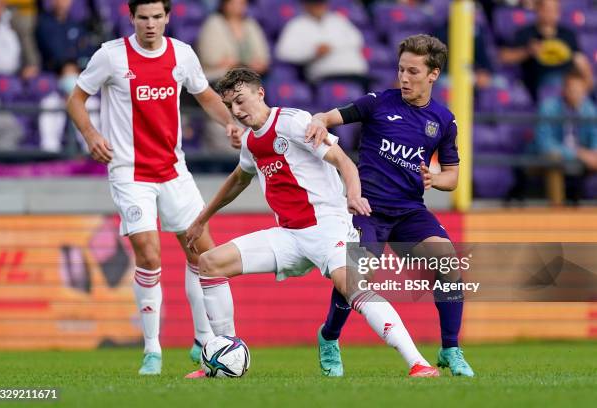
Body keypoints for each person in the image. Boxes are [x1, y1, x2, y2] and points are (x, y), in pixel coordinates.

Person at [183, 67, 440, 379]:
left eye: (240, 100)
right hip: (289, 235)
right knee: (210, 263)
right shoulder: (251, 143)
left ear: (260, 93)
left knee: (354, 287)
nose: (237, 110)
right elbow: (239, 179)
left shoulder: (293, 122)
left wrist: (353, 195)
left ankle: (418, 362)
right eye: (230, 106)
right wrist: (201, 220)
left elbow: (343, 161)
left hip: (328, 226)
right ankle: (225, 354)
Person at [66, 0, 243, 376]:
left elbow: (206, 95)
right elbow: (76, 100)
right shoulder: (111, 56)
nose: (150, 24)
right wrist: (91, 134)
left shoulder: (182, 53)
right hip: (129, 172)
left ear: (167, 17)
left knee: (202, 252)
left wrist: (231, 122)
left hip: (173, 170)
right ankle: (152, 350)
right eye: (142, 17)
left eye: (156, 17)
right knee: (148, 254)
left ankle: (203, 338)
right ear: (131, 18)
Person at [306, 34, 475, 377]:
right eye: (401, 70)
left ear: (433, 74)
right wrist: (318, 121)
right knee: (355, 277)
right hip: (367, 209)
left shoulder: (443, 120)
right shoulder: (378, 103)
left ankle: (450, 349)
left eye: (413, 71)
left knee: (449, 261)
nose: (404, 78)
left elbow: (453, 178)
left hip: (410, 211)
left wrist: (433, 178)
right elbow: (329, 115)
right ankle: (329, 337)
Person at [196, 0, 270, 153]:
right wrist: (241, 64)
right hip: (219, 79)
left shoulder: (250, 24)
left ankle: (254, 142)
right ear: (224, 5)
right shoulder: (214, 23)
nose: (238, 6)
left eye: (242, 3)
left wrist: (237, 63)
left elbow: (263, 59)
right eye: (234, 2)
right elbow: (212, 58)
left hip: (248, 80)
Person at [498, 0, 593, 101]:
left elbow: (580, 60)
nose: (551, 13)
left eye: (554, 10)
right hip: (540, 83)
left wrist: (587, 78)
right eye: (547, 9)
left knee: (580, 89)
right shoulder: (526, 33)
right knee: (557, 83)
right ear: (538, 10)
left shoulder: (568, 35)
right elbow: (503, 57)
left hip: (570, 83)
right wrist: (527, 51)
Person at [535, 67, 597, 202]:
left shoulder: (590, 110)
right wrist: (576, 153)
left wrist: (593, 153)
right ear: (564, 90)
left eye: (579, 90)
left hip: (583, 158)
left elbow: (595, 137)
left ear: (584, 91)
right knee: (553, 159)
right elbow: (544, 143)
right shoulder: (548, 107)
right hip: (556, 156)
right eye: (571, 89)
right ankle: (557, 212)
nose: (575, 94)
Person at [275, 0, 368, 87]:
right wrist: (313, 51)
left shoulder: (338, 19)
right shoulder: (296, 24)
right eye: (315, 3)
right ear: (306, 5)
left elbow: (357, 39)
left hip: (356, 74)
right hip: (326, 77)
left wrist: (332, 46)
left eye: (321, 3)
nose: (319, 6)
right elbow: (283, 52)